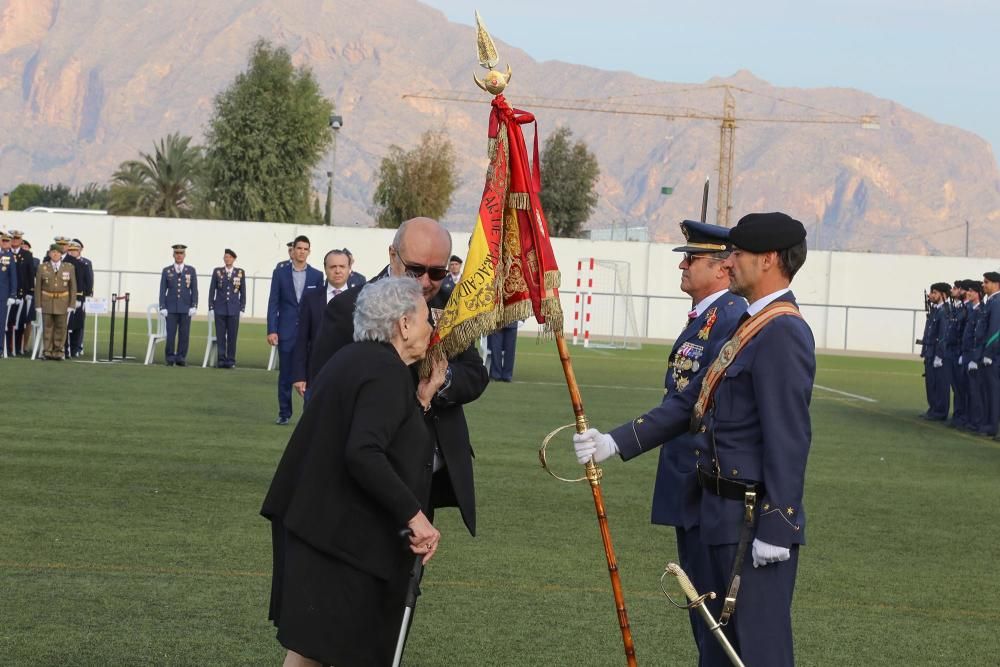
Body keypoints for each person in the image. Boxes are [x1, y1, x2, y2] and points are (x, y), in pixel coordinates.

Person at [573, 212, 815, 667]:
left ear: (767, 260)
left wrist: (778, 526)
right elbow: (691, 402)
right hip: (719, 513)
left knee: (758, 650)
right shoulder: (750, 324)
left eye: (738, 253)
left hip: (750, 521)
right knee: (718, 649)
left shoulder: (782, 331)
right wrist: (616, 442)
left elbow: (790, 436)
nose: (730, 261)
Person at [261, 277, 448, 667]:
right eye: (427, 318)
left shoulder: (357, 360)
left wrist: (423, 399)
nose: (433, 326)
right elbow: (363, 453)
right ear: (403, 324)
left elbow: (385, 435)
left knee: (313, 651)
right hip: (339, 541)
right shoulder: (383, 370)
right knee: (339, 650)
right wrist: (416, 518)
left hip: (324, 530)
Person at [308, 217, 489, 540]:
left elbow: (475, 374)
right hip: (364, 477)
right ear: (393, 256)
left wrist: (441, 381)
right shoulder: (347, 309)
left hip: (424, 476)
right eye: (416, 269)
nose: (425, 282)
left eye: (437, 272)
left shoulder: (451, 307)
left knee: (407, 583)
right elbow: (322, 398)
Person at [267, 235, 324, 425]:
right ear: (293, 250)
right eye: (299, 248)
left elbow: (319, 305)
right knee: (285, 375)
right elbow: (273, 303)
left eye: (305, 249)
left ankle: (308, 413)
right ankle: (284, 412)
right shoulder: (280, 274)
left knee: (310, 374)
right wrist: (272, 330)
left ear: (309, 251)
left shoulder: (317, 276)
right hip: (287, 331)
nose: (302, 252)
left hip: (310, 334)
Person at [291, 249, 351, 399]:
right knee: (314, 421)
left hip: (350, 374)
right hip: (316, 375)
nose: (337, 271)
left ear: (349, 269)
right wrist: (299, 375)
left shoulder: (361, 298)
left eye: (342, 267)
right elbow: (302, 339)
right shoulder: (311, 298)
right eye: (333, 267)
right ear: (325, 269)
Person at [34, 243, 77, 360]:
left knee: (61, 328)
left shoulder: (69, 267)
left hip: (63, 302)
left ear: (61, 254)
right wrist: (38, 304)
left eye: (57, 252)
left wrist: (71, 304)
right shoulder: (42, 267)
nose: (55, 254)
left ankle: (58, 352)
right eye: (53, 252)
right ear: (49, 254)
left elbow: (73, 287)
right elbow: (38, 287)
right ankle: (47, 352)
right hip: (46, 301)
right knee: (47, 328)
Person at [158, 244, 199, 366]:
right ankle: (170, 358)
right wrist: (162, 306)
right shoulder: (167, 271)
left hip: (185, 308)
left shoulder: (191, 270)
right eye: (177, 253)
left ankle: (181, 358)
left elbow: (194, 289)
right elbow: (162, 290)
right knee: (170, 334)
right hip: (170, 309)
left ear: (184, 255)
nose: (179, 255)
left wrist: (194, 305)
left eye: (181, 253)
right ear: (173, 255)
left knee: (184, 335)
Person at [208, 249, 246, 369]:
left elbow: (243, 291)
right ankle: (221, 359)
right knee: (220, 336)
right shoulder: (217, 271)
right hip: (220, 308)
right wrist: (211, 306)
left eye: (229, 257)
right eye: (225, 257)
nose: (227, 259)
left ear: (234, 259)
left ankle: (230, 360)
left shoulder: (240, 272)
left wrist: (242, 308)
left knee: (232, 336)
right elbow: (212, 290)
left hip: (234, 309)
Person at [919, 282, 952, 421]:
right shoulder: (935, 310)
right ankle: (933, 408)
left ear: (943, 295)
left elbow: (943, 334)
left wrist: (939, 355)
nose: (931, 295)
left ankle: (940, 411)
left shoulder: (944, 311)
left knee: (940, 384)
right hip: (930, 351)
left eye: (935, 292)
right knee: (931, 383)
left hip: (937, 353)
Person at [960, 280, 985, 432]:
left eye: (971, 291)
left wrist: (975, 359)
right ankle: (970, 419)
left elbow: (979, 337)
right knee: (968, 389)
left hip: (974, 356)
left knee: (976, 391)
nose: (968, 293)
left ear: (978, 294)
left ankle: (977, 421)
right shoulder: (971, 310)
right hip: (967, 354)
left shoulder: (980, 310)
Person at [65, 239, 94, 358]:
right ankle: (65, 348)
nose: (73, 252)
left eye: (75, 250)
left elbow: (88, 282)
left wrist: (85, 296)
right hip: (65, 298)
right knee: (66, 325)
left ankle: (75, 348)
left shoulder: (84, 264)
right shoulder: (65, 263)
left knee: (77, 324)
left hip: (79, 298)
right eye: (71, 250)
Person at [9, 230, 35, 356]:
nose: (15, 240)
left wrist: (30, 290)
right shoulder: (5, 252)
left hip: (21, 293)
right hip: (7, 293)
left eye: (17, 238)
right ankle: (7, 346)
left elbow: (30, 274)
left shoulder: (27, 254)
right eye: (13, 238)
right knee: (7, 321)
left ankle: (18, 347)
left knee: (19, 322)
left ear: (21, 240)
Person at [1, 231, 17, 353]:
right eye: (3, 240)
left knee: (0, 322)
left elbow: (13, 277)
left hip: (2, 294)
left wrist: (12, 294)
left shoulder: (9, 256)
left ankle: (0, 348)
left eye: (6, 241)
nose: (4, 242)